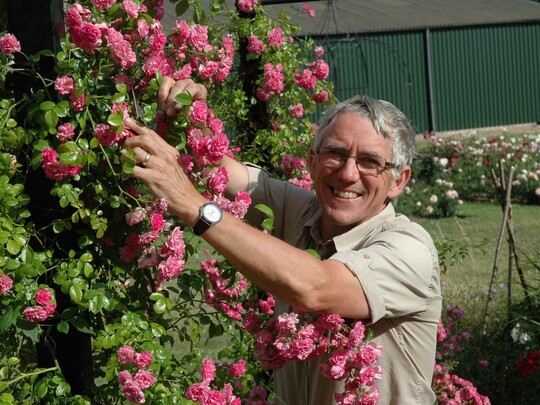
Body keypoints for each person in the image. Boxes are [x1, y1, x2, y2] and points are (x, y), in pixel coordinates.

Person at [122, 78, 442, 405]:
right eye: (336, 153)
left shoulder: (409, 249)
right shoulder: (300, 211)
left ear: (398, 181)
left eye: (370, 162)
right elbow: (217, 170)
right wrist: (191, 112)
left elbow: (315, 288)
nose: (348, 173)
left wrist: (194, 207)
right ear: (312, 159)